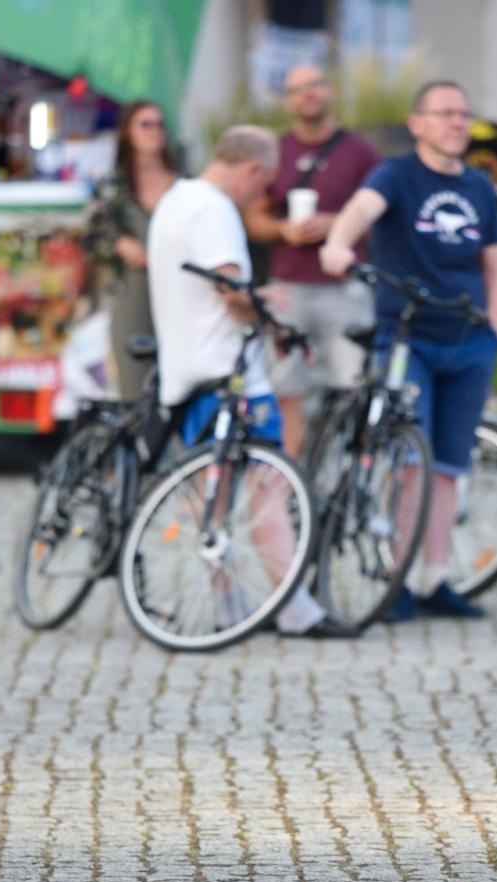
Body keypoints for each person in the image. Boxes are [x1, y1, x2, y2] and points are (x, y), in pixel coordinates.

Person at [147, 124, 357, 639]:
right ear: (253, 170)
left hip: (185, 370)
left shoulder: (175, 200)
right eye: (264, 185)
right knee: (270, 484)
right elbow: (230, 291)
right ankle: (295, 608)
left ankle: (228, 605)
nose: (260, 196)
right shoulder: (216, 211)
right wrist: (268, 313)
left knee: (212, 495)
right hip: (229, 371)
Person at [320, 80, 497, 620]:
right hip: (410, 341)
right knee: (410, 462)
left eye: (463, 113)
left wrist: (495, 332)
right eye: (444, 113)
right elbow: (361, 209)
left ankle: (433, 580)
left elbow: (496, 264)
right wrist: (337, 242)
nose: (457, 122)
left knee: (448, 467)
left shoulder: (477, 186)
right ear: (417, 123)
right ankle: (397, 578)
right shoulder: (396, 175)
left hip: (469, 342)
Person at [243, 64, 383, 456]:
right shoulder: (276, 152)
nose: (309, 94)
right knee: (286, 388)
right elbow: (254, 215)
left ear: (330, 90)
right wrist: (283, 229)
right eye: (298, 88)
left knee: (355, 387)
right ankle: (288, 478)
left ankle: (349, 475)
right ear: (287, 101)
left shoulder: (360, 153)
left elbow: (381, 216)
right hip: (289, 286)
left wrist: (337, 225)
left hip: (344, 287)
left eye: (316, 84)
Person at [86, 100, 180, 398]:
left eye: (159, 124)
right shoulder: (113, 182)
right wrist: (118, 243)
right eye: (145, 124)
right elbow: (93, 235)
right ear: (127, 132)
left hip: (178, 289)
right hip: (134, 288)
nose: (154, 131)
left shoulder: (183, 183)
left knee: (179, 378)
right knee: (135, 380)